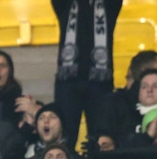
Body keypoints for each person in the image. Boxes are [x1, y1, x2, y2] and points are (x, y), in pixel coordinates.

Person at [50, 0, 123, 148]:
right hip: (68, 81)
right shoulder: (66, 5)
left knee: (99, 137)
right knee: (64, 138)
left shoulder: (108, 5)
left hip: (100, 82)